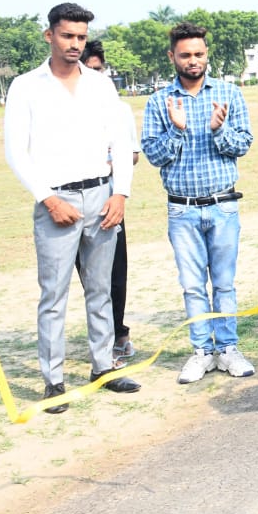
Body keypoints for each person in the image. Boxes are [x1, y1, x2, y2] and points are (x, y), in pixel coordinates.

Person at [4, 3, 140, 413]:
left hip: (102, 197)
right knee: (54, 294)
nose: (75, 44)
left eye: (81, 37)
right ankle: (54, 381)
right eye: (67, 36)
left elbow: (119, 141)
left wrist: (121, 194)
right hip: (56, 202)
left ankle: (103, 367)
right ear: (50, 36)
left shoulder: (100, 85)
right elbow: (16, 151)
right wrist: (47, 198)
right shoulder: (26, 86)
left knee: (101, 290)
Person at [142, 22, 256, 384]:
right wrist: (176, 128)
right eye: (186, 55)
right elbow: (154, 155)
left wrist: (219, 129)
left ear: (207, 54)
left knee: (224, 283)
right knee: (192, 285)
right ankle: (201, 352)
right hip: (182, 208)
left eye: (199, 54)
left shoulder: (228, 94)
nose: (194, 61)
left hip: (222, 206)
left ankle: (227, 349)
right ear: (172, 56)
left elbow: (242, 146)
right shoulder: (160, 101)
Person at [79, 40, 141, 362]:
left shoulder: (119, 109)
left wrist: (111, 160)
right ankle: (99, 339)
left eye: (98, 70)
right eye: (87, 70)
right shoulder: (65, 106)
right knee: (86, 277)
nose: (93, 75)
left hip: (109, 200)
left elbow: (132, 155)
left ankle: (119, 333)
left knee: (114, 273)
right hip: (71, 202)